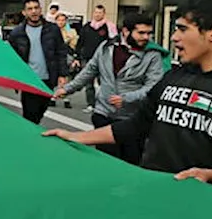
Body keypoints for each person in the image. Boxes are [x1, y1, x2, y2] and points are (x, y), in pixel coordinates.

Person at [46, 0, 212, 199]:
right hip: (159, 197)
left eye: (182, 29)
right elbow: (137, 126)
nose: (174, 38)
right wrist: (77, 137)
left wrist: (208, 175)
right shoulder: (175, 76)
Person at [55, 13, 166, 164]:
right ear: (126, 31)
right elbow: (90, 70)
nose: (146, 37)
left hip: (131, 119)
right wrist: (68, 89)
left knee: (129, 164)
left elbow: (154, 86)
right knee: (104, 162)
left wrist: (128, 98)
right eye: (141, 33)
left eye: (149, 33)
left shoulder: (153, 55)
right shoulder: (106, 47)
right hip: (103, 114)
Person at [8, 0, 68, 124]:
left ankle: (31, 132)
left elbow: (61, 52)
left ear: (41, 10)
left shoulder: (52, 29)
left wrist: (63, 74)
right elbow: (13, 57)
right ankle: (29, 138)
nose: (33, 11)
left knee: (41, 110)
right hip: (29, 79)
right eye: (30, 9)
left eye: (36, 8)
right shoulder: (17, 33)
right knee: (30, 113)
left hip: (48, 78)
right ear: (24, 12)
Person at [75, 4, 117, 113]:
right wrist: (77, 56)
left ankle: (104, 104)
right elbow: (80, 42)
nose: (97, 14)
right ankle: (91, 104)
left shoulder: (109, 27)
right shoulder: (87, 26)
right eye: (96, 12)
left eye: (100, 12)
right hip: (87, 58)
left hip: (103, 59)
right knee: (88, 82)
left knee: (104, 82)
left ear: (104, 14)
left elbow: (114, 42)